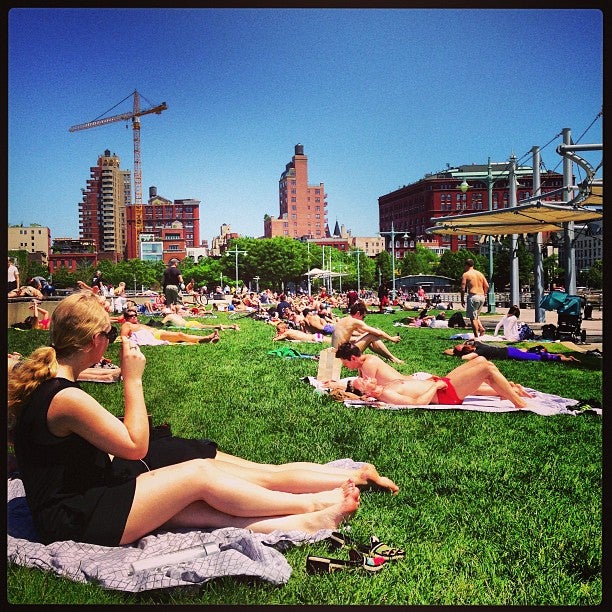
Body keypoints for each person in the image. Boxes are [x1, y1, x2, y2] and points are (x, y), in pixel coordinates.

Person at [8, 291, 399, 546]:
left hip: (85, 501)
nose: (111, 341)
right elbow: (134, 445)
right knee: (200, 475)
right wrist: (133, 380)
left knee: (203, 513)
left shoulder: (54, 388)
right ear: (94, 340)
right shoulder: (65, 396)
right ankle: (313, 502)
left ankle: (314, 519)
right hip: (75, 518)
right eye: (108, 335)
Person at [335, 342, 530, 409]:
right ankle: (517, 402)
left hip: (440, 385)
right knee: (486, 369)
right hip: (445, 394)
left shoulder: (382, 386)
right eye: (364, 380)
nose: (366, 377)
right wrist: (434, 387)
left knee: (481, 362)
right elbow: (416, 404)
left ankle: (507, 391)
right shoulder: (385, 394)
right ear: (367, 393)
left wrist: (433, 383)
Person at [331, 301, 403, 364]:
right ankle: (392, 358)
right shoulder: (355, 321)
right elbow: (378, 333)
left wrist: (369, 333)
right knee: (371, 336)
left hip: (337, 353)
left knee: (367, 336)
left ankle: (390, 358)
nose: (363, 320)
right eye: (363, 317)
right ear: (358, 313)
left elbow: (361, 333)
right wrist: (392, 339)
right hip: (344, 355)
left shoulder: (344, 319)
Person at [120, 308, 220, 345]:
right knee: (180, 334)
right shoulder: (126, 324)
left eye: (135, 315)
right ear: (126, 318)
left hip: (157, 333)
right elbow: (124, 337)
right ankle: (206, 338)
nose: (133, 317)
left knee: (180, 336)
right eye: (130, 316)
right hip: (155, 335)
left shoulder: (137, 324)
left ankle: (205, 339)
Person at [444, 340, 580, 363]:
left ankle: (565, 359)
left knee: (535, 358)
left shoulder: (480, 351)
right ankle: (557, 355)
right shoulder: (478, 344)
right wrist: (456, 350)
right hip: (509, 350)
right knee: (530, 354)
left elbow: (464, 359)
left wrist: (457, 354)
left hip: (510, 353)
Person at [460, 258, 489, 338]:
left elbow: (463, 288)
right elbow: (487, 286)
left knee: (472, 318)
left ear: (466, 265)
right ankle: (481, 329)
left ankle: (476, 337)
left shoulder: (466, 274)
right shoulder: (480, 273)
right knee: (476, 315)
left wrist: (462, 299)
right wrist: (484, 293)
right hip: (481, 296)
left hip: (473, 296)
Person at [161, 310, 239, 332]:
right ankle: (232, 326)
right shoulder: (175, 314)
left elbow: (160, 324)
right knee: (205, 326)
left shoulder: (167, 316)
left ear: (165, 314)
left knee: (206, 326)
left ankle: (220, 326)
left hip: (188, 325)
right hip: (191, 322)